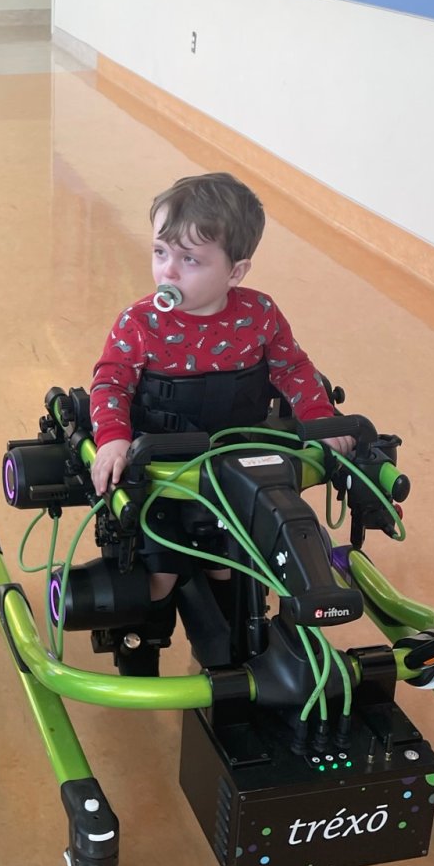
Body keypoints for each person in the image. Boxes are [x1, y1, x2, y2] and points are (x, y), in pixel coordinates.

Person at [89, 171, 353, 599]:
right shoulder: (139, 323)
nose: (167, 271)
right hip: (163, 467)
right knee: (160, 578)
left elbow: (293, 368)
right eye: (160, 252)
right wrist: (113, 440)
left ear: (236, 271)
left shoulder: (260, 314)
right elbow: (110, 384)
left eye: (190, 260)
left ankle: (221, 646)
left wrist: (321, 418)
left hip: (238, 458)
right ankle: (148, 638)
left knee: (231, 569)